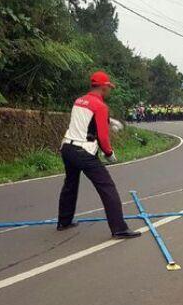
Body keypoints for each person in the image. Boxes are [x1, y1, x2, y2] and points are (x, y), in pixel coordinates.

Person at [57, 70, 141, 238]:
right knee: (107, 187)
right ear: (103, 87)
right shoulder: (100, 106)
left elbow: (87, 122)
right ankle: (119, 228)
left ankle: (64, 222)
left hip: (67, 148)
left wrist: (110, 121)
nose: (109, 90)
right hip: (84, 151)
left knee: (70, 184)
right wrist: (109, 154)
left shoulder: (79, 100)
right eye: (108, 87)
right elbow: (102, 136)